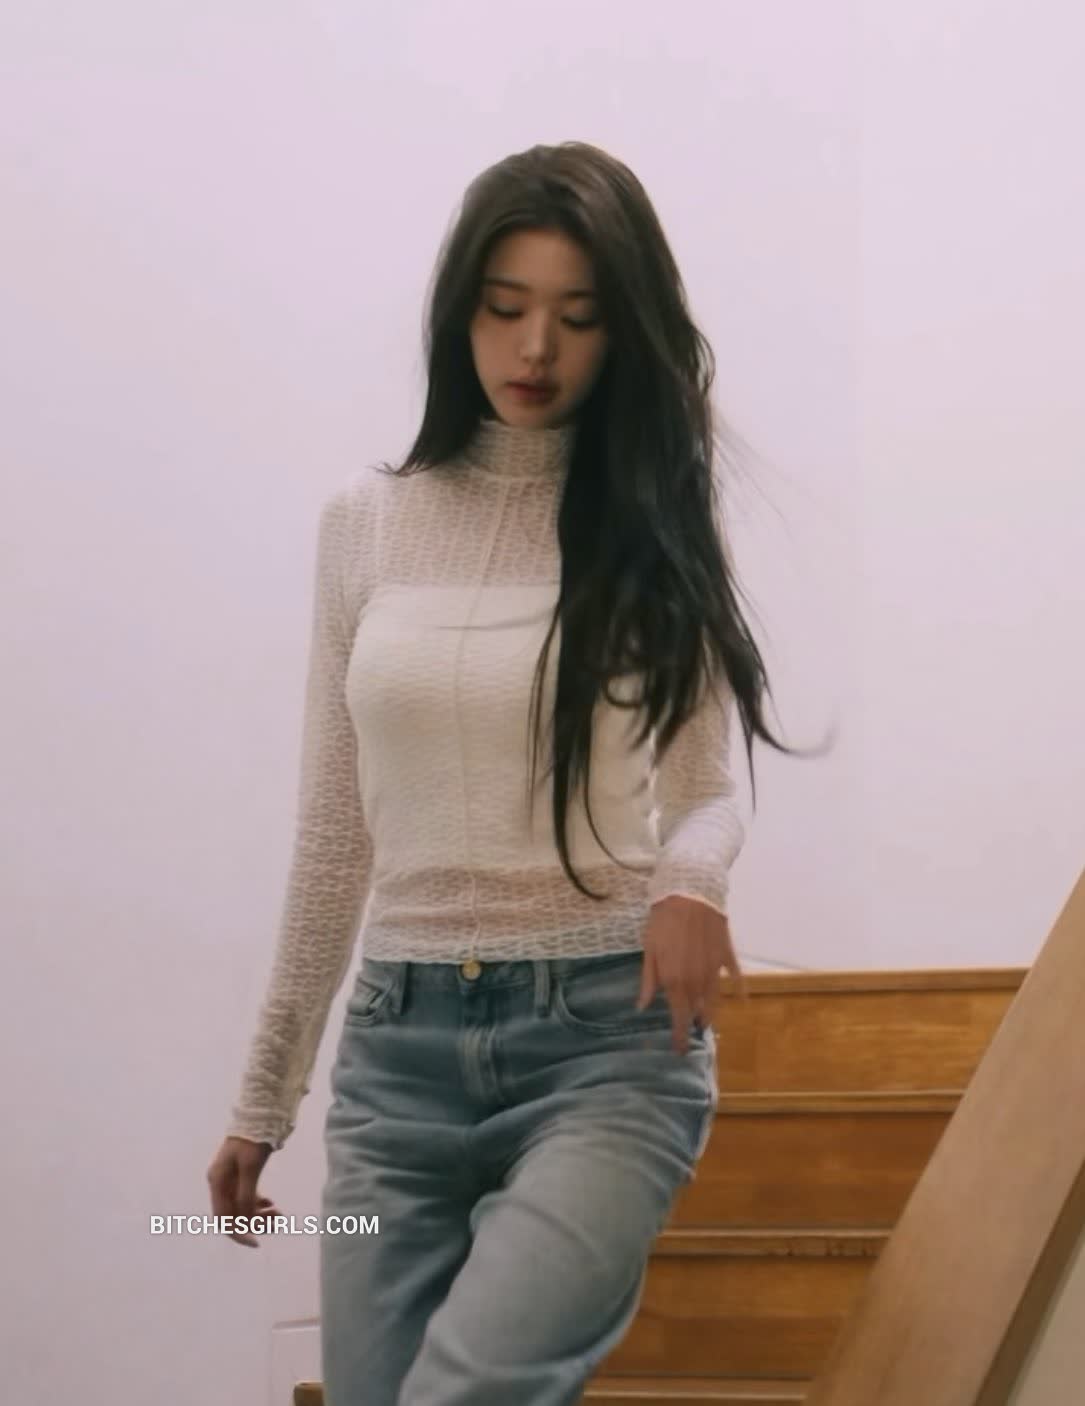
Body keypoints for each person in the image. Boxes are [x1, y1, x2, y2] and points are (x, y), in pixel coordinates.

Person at [206, 140, 810, 1406]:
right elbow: (333, 830)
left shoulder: (651, 522)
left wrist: (690, 880)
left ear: (621, 330)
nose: (535, 347)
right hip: (395, 1060)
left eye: (577, 317)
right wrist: (266, 1091)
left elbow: (704, 785)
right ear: (458, 314)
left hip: (602, 1047)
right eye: (505, 307)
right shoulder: (364, 524)